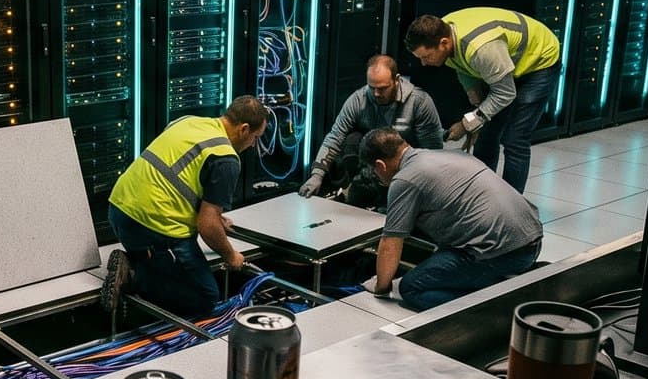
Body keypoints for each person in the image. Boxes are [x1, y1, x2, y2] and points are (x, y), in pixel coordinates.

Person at [100, 97, 269, 320]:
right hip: (154, 227)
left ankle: (141, 265)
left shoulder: (188, 121)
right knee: (205, 296)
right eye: (255, 138)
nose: (253, 145)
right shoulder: (226, 158)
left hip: (119, 212)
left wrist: (216, 217)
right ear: (244, 129)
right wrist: (231, 256)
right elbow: (207, 226)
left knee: (168, 268)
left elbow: (176, 179)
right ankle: (132, 274)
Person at [359, 128, 543, 312]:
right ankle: (504, 281)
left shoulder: (404, 179)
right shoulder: (448, 155)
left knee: (411, 288)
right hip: (532, 240)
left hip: (503, 255)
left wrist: (380, 286)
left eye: (375, 172)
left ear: (380, 165)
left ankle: (497, 308)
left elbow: (391, 241)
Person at [403, 8, 561, 194]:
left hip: (539, 62)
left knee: (514, 139)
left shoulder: (481, 48)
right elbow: (462, 65)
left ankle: (510, 206)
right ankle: (483, 195)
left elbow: (505, 93)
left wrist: (467, 124)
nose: (424, 63)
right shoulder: (441, 31)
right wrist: (476, 105)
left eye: (427, 56)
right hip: (503, 63)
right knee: (486, 135)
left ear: (444, 43)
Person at [298, 54, 443, 200]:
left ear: (397, 80)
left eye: (382, 88)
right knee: (352, 140)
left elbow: (433, 152)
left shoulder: (419, 102)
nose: (376, 94)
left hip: (408, 169)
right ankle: (353, 189)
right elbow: (335, 136)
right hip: (373, 170)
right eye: (372, 87)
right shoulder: (358, 100)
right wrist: (317, 175)